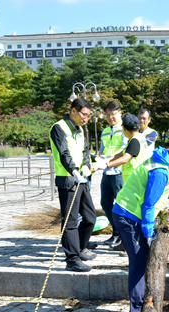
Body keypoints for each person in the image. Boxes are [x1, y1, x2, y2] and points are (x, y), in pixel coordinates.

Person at [112, 138, 169, 312]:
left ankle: (142, 307)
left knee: (142, 261)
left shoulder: (164, 162)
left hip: (132, 214)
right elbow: (148, 205)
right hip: (128, 215)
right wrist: (149, 234)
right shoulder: (160, 171)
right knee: (138, 263)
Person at [93, 114, 154, 251]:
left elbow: (125, 158)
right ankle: (126, 242)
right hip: (136, 182)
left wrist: (106, 165)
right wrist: (108, 159)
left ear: (124, 129)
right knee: (127, 213)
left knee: (128, 214)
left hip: (134, 183)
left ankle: (130, 245)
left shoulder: (134, 141)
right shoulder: (139, 138)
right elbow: (124, 153)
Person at [49, 98, 97, 272]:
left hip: (81, 179)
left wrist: (85, 165)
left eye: (88, 116)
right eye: (84, 114)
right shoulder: (59, 128)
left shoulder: (79, 129)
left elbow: (84, 150)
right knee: (70, 221)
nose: (86, 118)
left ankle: (81, 248)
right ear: (74, 111)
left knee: (90, 217)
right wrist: (73, 171)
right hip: (68, 180)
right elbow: (63, 152)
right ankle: (72, 259)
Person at [94, 100, 126, 247]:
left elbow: (124, 149)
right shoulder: (105, 131)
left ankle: (122, 235)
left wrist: (108, 159)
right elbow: (102, 149)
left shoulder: (125, 129)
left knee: (120, 204)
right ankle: (116, 232)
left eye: (113, 114)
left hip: (119, 171)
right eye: (107, 115)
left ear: (120, 113)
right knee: (105, 203)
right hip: (106, 171)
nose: (111, 118)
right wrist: (99, 156)